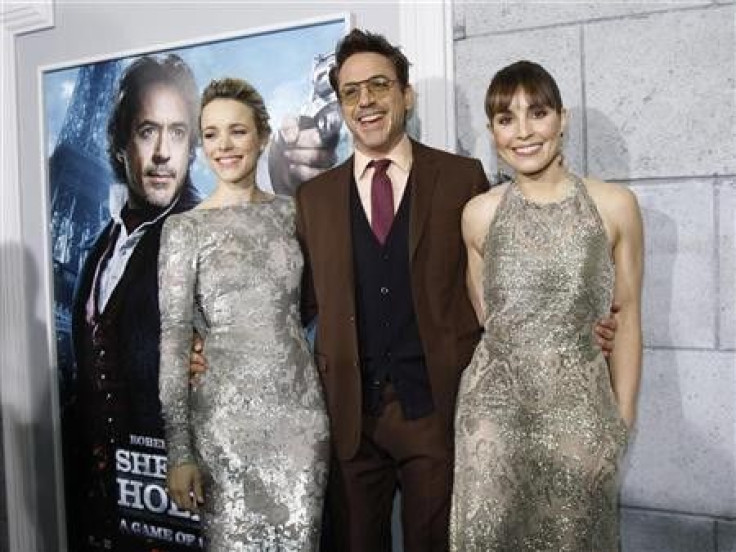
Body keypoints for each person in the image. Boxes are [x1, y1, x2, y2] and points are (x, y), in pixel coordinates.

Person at [191, 30, 618, 552]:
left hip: (437, 411)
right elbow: (287, 303)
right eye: (351, 91)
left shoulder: (463, 178)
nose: (366, 101)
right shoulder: (313, 198)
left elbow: (512, 276)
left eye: (379, 85)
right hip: (349, 418)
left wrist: (583, 321)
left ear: (406, 94)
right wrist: (211, 346)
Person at [450, 60, 643, 551]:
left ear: (563, 118)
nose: (523, 132)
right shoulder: (478, 214)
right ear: (493, 132)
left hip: (579, 419)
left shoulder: (615, 205)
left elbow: (627, 318)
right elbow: (490, 321)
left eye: (537, 113)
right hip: (492, 422)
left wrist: (620, 420)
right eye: (505, 119)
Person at [158, 77, 330, 550]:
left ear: (263, 136)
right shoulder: (183, 229)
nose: (224, 146)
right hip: (223, 426)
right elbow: (174, 338)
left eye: (237, 131)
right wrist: (179, 450)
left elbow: (324, 302)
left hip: (299, 419)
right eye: (211, 134)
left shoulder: (295, 214)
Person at [67, 54, 201, 551]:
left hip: (182, 505)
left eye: (178, 133)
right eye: (148, 132)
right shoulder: (101, 247)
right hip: (107, 507)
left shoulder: (203, 235)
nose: (163, 152)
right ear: (121, 143)